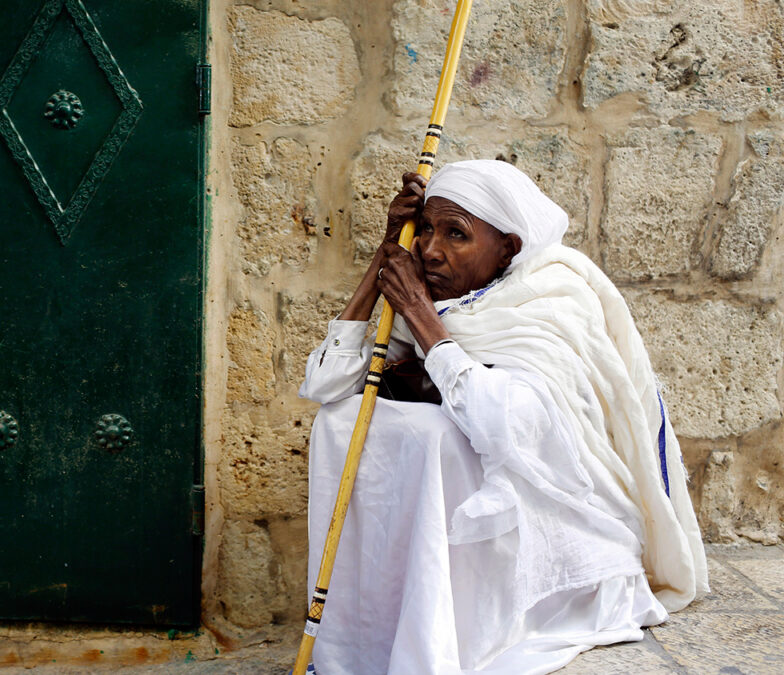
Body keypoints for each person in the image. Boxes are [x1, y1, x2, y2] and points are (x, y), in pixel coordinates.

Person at [297, 160, 707, 674]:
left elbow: (506, 427)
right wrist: (381, 263)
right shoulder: (440, 299)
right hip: (462, 521)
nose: (430, 250)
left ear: (507, 248)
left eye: (455, 234)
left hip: (546, 517)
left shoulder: (549, 303)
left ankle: (453, 632)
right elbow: (325, 386)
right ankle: (376, 628)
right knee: (340, 420)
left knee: (436, 433)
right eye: (424, 229)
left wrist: (422, 317)